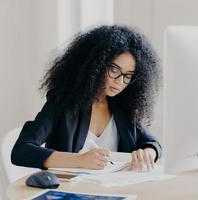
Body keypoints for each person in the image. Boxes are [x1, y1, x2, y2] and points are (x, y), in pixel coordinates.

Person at [11, 25, 162, 171]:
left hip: (115, 190)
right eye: (114, 70)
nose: (120, 81)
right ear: (96, 65)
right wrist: (80, 160)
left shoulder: (124, 107)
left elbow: (152, 143)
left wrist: (148, 153)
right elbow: (21, 150)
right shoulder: (63, 103)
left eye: (128, 75)